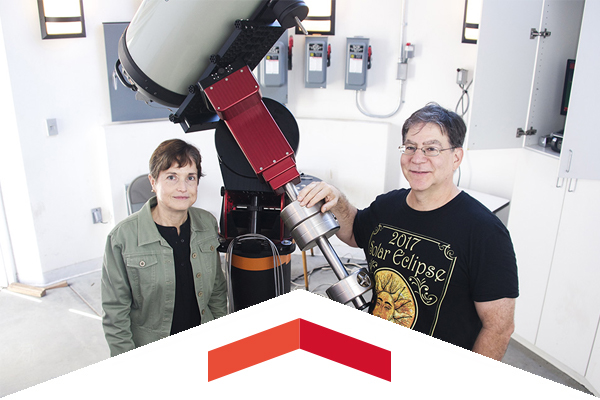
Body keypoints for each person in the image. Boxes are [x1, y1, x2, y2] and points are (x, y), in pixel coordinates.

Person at [297, 103, 519, 361]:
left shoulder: (485, 232)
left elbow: (499, 327)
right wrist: (337, 199)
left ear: (456, 157)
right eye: (410, 147)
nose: (417, 158)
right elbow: (354, 233)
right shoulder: (388, 207)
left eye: (432, 149)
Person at [101, 139, 227, 357]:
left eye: (190, 177)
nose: (183, 188)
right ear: (153, 181)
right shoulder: (122, 238)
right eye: (171, 177)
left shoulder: (207, 223)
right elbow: (115, 313)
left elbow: (216, 289)